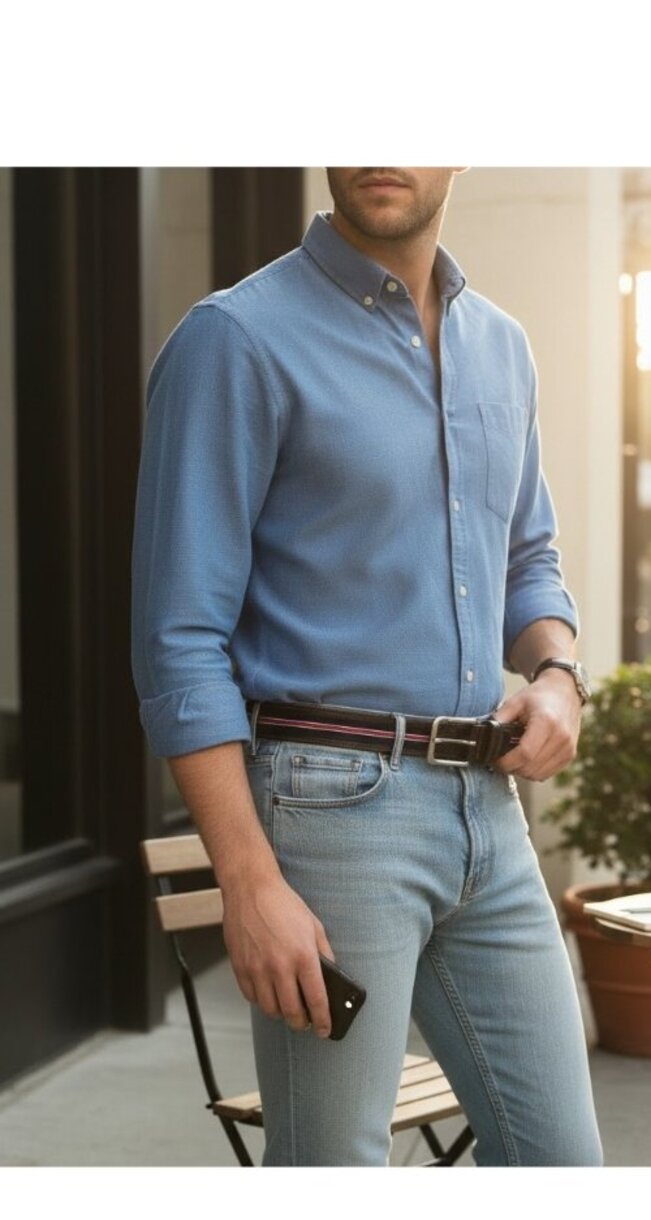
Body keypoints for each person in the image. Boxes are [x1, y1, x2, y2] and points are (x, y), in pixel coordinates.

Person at [131, 167, 603, 1167]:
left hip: (490, 814)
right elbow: (178, 639)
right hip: (330, 812)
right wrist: (246, 880)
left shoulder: (501, 347)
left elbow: (528, 559)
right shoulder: (235, 340)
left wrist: (558, 674)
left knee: (560, 1162)